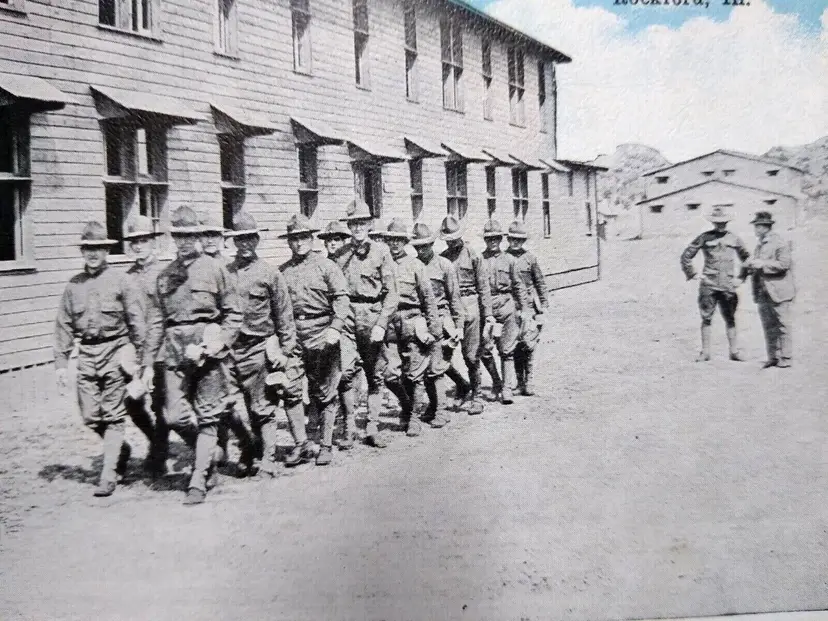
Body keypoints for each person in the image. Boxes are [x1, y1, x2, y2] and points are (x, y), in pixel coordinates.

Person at [150, 206, 241, 505]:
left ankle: (198, 480)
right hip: (175, 352)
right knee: (174, 415)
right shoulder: (165, 276)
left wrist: (217, 343)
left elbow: (233, 314)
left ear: (199, 237)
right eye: (179, 236)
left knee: (209, 416)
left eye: (190, 236)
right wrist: (146, 362)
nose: (185, 242)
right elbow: (156, 322)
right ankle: (209, 452)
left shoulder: (217, 270)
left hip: (208, 351)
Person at [54, 221, 148, 497]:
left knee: (115, 415)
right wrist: (61, 363)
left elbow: (137, 323)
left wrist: (140, 363)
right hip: (86, 355)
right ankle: (120, 448)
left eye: (98, 248)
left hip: (115, 352)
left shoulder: (122, 281)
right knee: (90, 417)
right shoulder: (74, 286)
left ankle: (108, 475)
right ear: (82, 252)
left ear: (107, 251)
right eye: (87, 249)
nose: (93, 254)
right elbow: (63, 325)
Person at [225, 211, 302, 476]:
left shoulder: (269, 274)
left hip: (259, 347)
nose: (244, 244)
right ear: (233, 242)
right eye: (239, 240)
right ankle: (248, 445)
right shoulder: (225, 274)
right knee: (224, 405)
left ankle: (267, 458)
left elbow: (284, 315)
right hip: (230, 350)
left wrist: (285, 350)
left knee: (262, 407)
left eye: (249, 239)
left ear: (256, 240)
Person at [279, 214, 351, 466]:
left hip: (322, 332)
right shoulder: (283, 272)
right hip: (292, 336)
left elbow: (341, 299)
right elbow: (278, 308)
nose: (298, 244)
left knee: (324, 392)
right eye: (293, 239)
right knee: (290, 389)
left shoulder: (327, 266)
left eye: (302, 238)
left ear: (311, 239)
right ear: (289, 243)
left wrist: (336, 326)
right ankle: (301, 444)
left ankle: (326, 444)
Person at [334, 199, 399, 448]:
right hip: (348, 316)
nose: (358, 227)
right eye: (353, 223)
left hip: (372, 316)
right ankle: (349, 428)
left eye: (362, 223)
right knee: (345, 373)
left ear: (369, 225)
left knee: (375, 375)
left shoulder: (381, 252)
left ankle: (372, 426)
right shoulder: (339, 254)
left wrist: (382, 322)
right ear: (349, 226)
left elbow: (392, 293)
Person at [198, 211, 256, 474]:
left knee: (225, 399)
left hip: (229, 342)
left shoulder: (227, 268)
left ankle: (245, 443)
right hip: (203, 344)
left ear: (223, 239)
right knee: (211, 401)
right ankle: (221, 445)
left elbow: (234, 308)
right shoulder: (194, 267)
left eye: (214, 235)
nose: (209, 240)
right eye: (204, 235)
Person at [375, 219, 440, 437]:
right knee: (390, 373)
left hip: (412, 320)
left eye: (399, 240)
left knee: (415, 374)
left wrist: (433, 328)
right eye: (390, 240)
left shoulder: (415, 265)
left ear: (405, 242)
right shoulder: (380, 263)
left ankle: (413, 417)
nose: (394, 244)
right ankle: (406, 404)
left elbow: (428, 299)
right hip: (389, 323)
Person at [121, 215, 167, 477]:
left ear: (153, 242)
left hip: (161, 351)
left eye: (144, 241)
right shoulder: (126, 279)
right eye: (134, 242)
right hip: (137, 353)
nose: (138, 246)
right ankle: (154, 440)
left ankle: (159, 454)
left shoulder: (164, 274)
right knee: (132, 402)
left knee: (161, 405)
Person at [411, 222, 465, 429]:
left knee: (436, 367)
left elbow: (454, 298)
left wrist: (458, 326)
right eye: (417, 246)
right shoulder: (413, 265)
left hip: (441, 320)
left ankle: (442, 411)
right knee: (425, 367)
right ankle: (434, 405)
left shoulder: (445, 265)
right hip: (420, 321)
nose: (420, 250)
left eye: (424, 245)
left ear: (432, 244)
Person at [680, 204, 750, 362]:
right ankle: (705, 353)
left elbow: (747, 258)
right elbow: (686, 255)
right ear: (713, 222)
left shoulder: (734, 238)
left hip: (728, 285)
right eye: (717, 222)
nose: (720, 225)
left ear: (727, 222)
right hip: (709, 285)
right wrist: (693, 274)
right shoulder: (704, 237)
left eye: (723, 222)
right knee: (706, 318)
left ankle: (734, 352)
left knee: (730, 318)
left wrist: (741, 277)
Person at [439, 215, 494, 415]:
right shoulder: (443, 258)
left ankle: (477, 397)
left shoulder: (474, 256)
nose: (452, 241)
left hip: (471, 306)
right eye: (448, 238)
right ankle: (462, 384)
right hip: (449, 310)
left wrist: (488, 315)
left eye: (455, 237)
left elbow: (484, 287)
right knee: (441, 357)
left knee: (471, 356)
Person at [317, 220, 362, 449]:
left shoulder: (351, 262)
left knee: (345, 374)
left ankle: (350, 425)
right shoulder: (321, 263)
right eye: (329, 240)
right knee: (329, 376)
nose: (332, 244)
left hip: (350, 321)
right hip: (329, 324)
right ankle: (330, 421)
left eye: (337, 240)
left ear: (344, 241)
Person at [480, 220, 530, 405]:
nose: (492, 241)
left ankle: (507, 389)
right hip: (487, 309)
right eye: (489, 238)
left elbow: (519, 286)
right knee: (484, 350)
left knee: (507, 351)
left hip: (506, 306)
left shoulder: (510, 260)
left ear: (501, 239)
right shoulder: (479, 260)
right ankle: (496, 382)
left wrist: (523, 310)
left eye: (496, 238)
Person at [742, 211, 795, 369]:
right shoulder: (760, 244)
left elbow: (784, 265)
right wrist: (750, 266)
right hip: (763, 291)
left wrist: (762, 264)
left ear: (766, 227)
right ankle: (773, 357)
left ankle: (786, 358)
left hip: (779, 291)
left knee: (783, 325)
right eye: (756, 226)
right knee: (768, 325)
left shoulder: (779, 243)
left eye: (758, 226)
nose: (755, 229)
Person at [506, 220, 550, 396]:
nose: (515, 243)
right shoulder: (504, 258)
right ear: (508, 239)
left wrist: (544, 304)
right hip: (512, 306)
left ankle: (529, 381)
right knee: (515, 345)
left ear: (523, 241)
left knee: (529, 344)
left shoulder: (530, 258)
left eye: (519, 240)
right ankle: (519, 382)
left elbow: (540, 282)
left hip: (530, 307)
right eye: (512, 239)